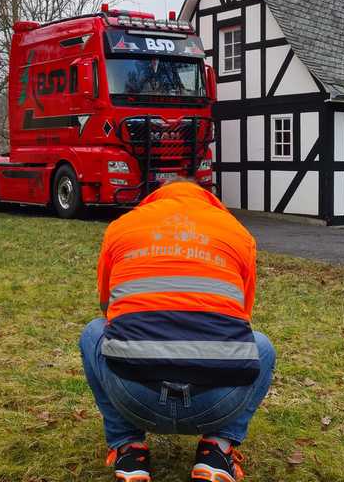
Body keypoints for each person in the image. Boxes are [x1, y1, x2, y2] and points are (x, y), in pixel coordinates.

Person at [79, 180, 276, 482]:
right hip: (216, 401)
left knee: (94, 331)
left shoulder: (121, 227)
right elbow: (242, 317)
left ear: (154, 198)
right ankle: (217, 451)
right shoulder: (238, 233)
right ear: (209, 200)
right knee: (261, 345)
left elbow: (107, 307)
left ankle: (129, 450)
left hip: (133, 395)